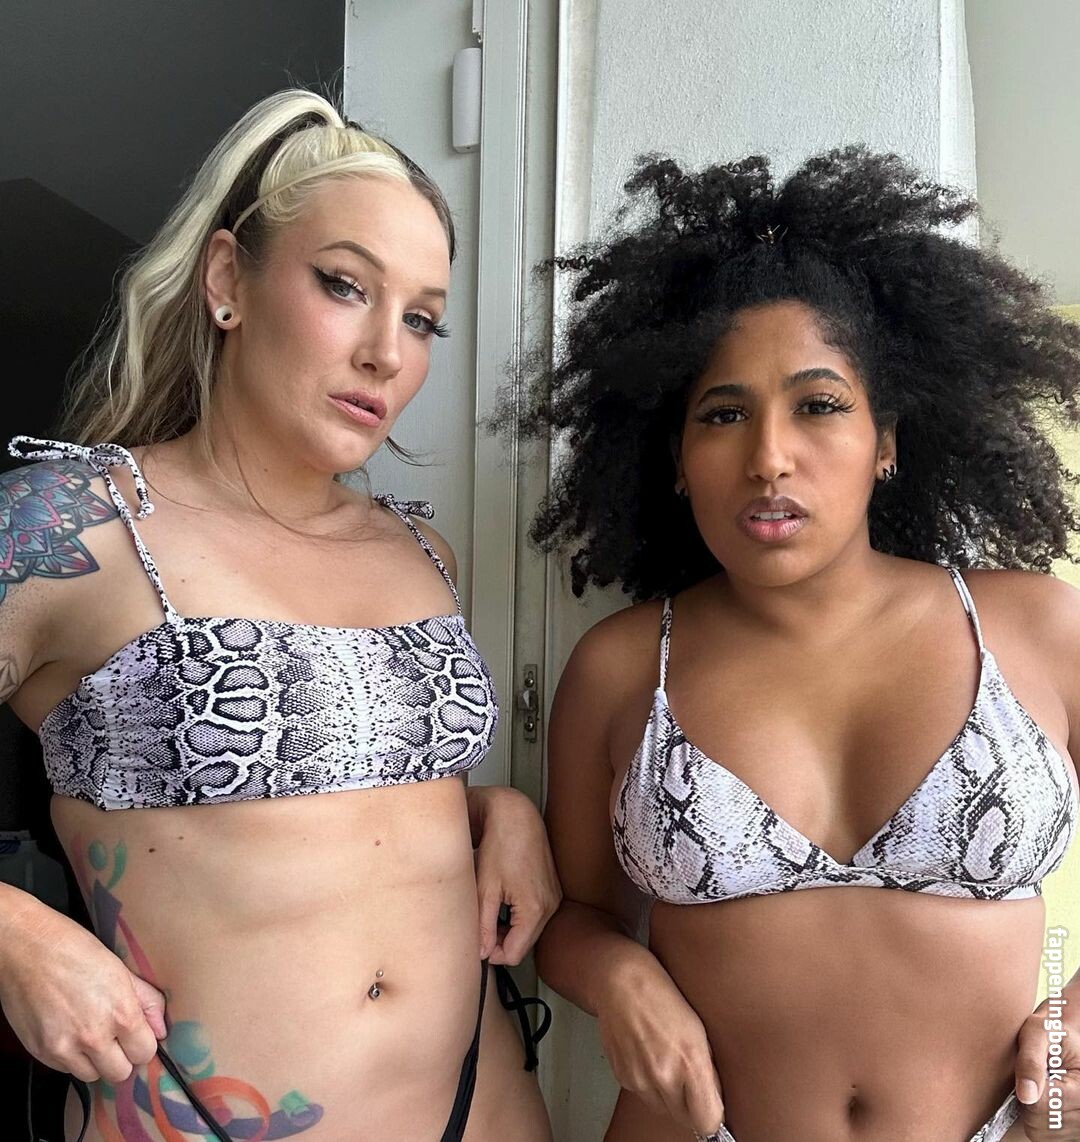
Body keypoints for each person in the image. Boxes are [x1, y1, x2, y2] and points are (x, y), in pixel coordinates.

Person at [0, 89, 558, 1141]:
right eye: (345, 285)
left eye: (422, 318)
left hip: (480, 1109)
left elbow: (352, 803)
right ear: (227, 281)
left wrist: (497, 809)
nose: (388, 351)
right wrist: (11, 935)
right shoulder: (70, 526)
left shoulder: (419, 552)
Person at [517, 147, 1080, 1141]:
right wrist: (617, 975)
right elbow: (572, 917)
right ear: (678, 459)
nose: (769, 456)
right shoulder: (621, 665)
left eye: (818, 405)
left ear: (886, 438)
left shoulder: (1036, 626)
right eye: (723, 414)